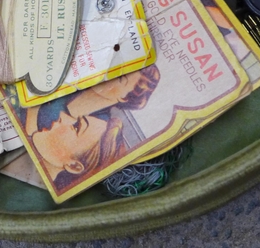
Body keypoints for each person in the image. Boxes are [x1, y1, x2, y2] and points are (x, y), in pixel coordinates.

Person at [21, 64, 160, 191]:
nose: (110, 69)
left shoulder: (98, 131)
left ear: (124, 97)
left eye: (121, 77)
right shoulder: (79, 76)